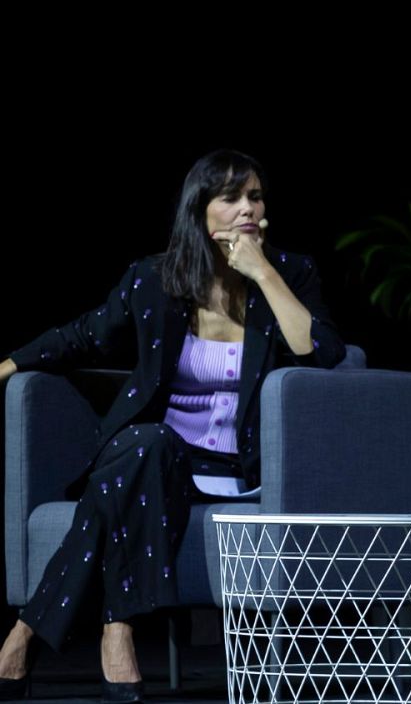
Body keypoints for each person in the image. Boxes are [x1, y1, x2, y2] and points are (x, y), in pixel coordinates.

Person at [0, 150, 345, 703]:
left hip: (243, 468)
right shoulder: (154, 279)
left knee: (114, 486)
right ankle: (119, 628)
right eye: (230, 198)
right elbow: (86, 334)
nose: (247, 209)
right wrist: (9, 364)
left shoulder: (292, 272)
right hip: (161, 459)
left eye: (255, 196)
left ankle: (26, 631)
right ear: (200, 212)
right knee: (145, 444)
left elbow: (322, 352)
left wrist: (261, 272)